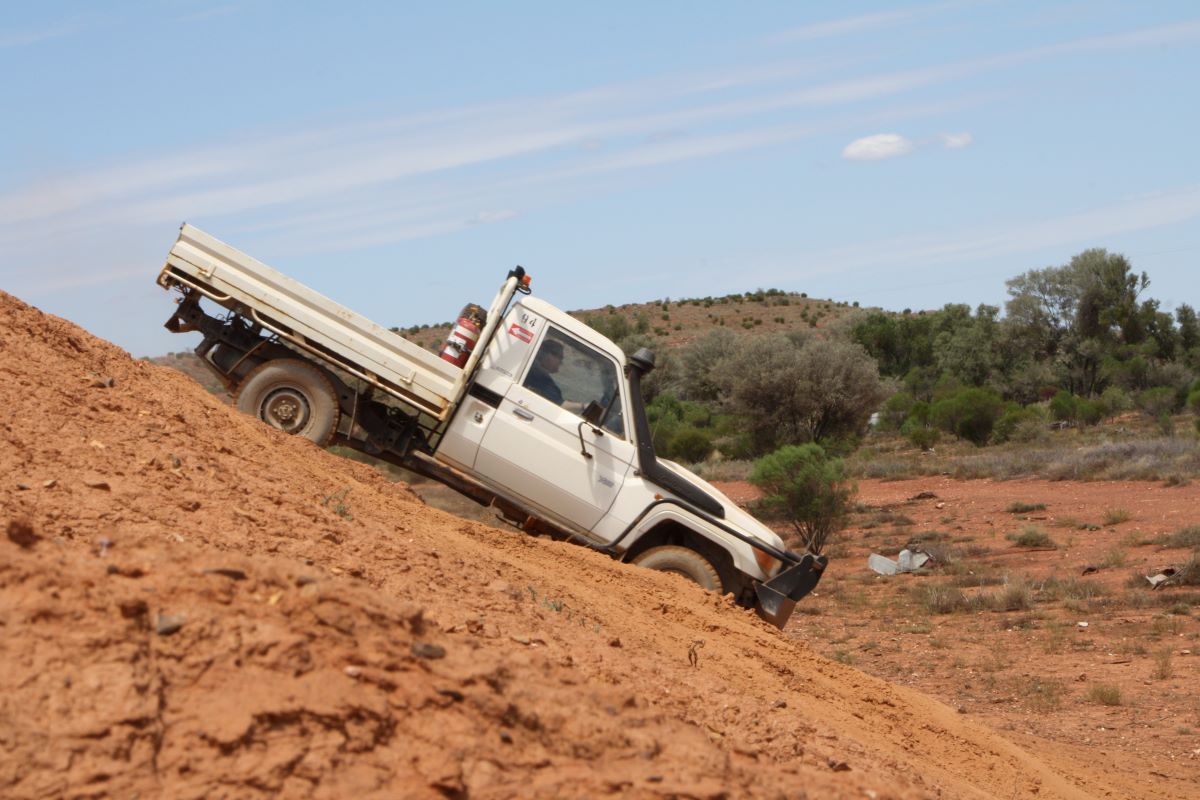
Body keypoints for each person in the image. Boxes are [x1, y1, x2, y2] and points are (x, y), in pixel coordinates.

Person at [525, 338, 564, 405]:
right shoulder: (541, 377)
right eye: (560, 357)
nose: (561, 362)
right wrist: (583, 406)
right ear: (550, 356)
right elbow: (560, 404)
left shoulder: (529, 367)